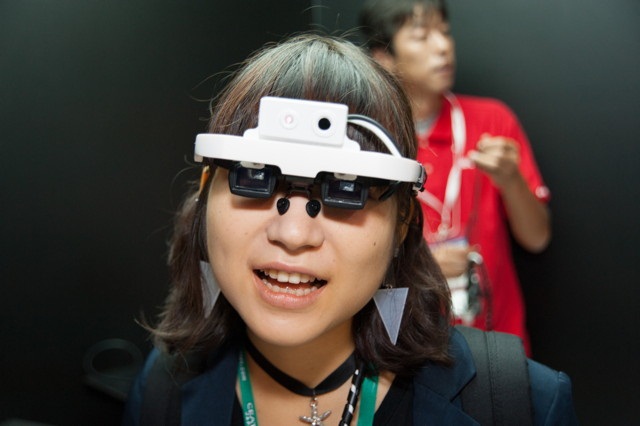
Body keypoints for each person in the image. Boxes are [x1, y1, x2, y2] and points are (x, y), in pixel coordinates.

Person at [122, 34, 576, 425]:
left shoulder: (519, 402)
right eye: (253, 177)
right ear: (206, 195)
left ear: (402, 222)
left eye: (345, 189)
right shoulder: (164, 389)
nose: (293, 234)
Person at [359, 0, 552, 353]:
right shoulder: (367, 140)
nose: (443, 46)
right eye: (422, 36)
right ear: (383, 58)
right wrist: (422, 262)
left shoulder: (492, 122)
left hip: (495, 344)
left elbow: (537, 238)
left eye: (445, 32)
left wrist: (511, 180)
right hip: (401, 349)